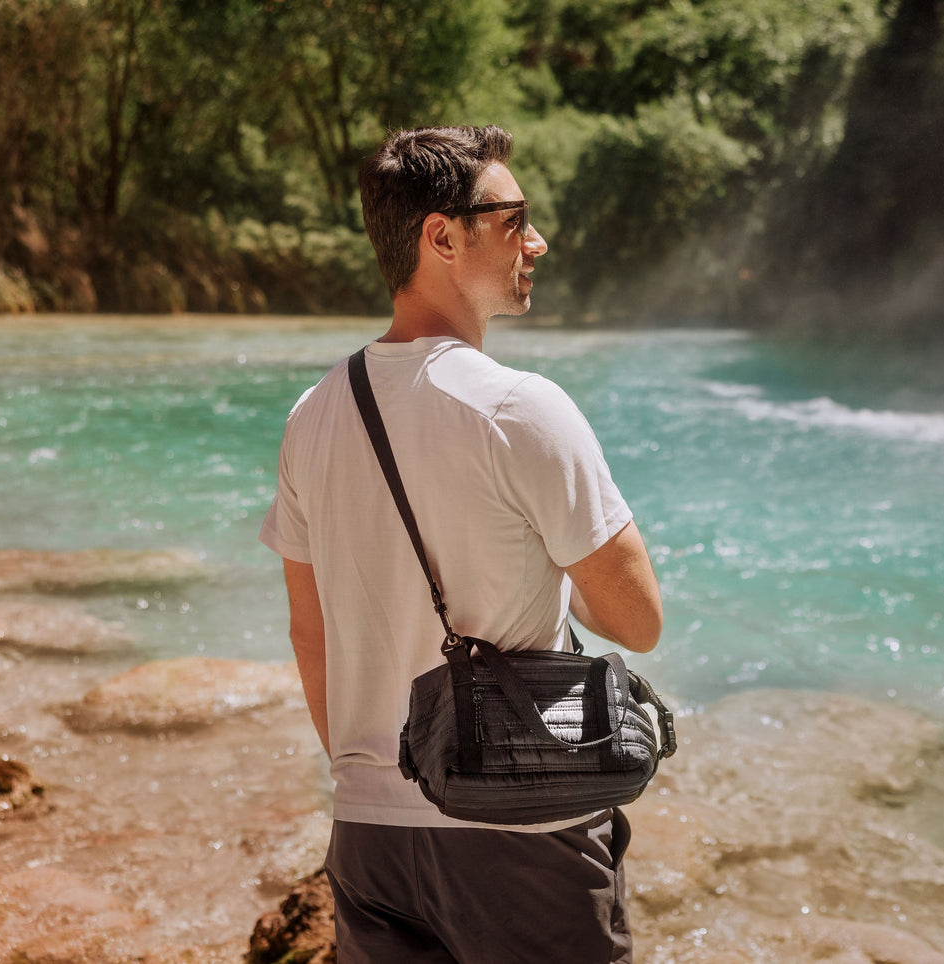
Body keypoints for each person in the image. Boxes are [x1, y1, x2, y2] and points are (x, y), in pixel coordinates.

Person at [258, 125, 663, 963]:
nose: (535, 241)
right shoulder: (521, 409)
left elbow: (309, 634)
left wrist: (370, 780)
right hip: (520, 832)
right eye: (513, 220)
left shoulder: (313, 414)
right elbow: (636, 621)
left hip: (367, 835)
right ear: (441, 237)